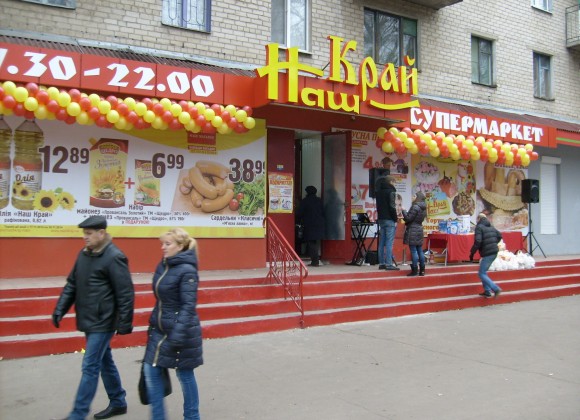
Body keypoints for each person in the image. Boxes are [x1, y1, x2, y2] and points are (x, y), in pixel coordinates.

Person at [52, 215, 134, 420]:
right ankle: (118, 401)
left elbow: (125, 292)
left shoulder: (114, 256)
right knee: (104, 361)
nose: (85, 237)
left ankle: (78, 414)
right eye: (84, 234)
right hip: (88, 318)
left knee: (90, 365)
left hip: (103, 321)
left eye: (89, 234)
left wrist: (125, 322)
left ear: (101, 233)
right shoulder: (84, 254)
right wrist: (60, 308)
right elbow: (72, 283)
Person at [143, 228, 203, 420]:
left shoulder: (187, 271)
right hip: (160, 329)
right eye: (162, 243)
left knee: (184, 374)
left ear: (180, 246)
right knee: (150, 370)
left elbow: (188, 306)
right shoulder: (164, 265)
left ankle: (192, 417)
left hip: (181, 331)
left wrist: (177, 335)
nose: (163, 247)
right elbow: (161, 300)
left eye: (167, 244)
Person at [470, 213, 503, 298]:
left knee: (481, 273)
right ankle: (487, 291)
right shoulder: (491, 226)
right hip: (494, 251)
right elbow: (499, 235)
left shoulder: (479, 227)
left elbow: (478, 241)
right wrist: (493, 243)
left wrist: (472, 252)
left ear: (479, 219)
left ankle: (495, 288)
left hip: (488, 253)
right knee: (483, 272)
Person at [296, 185, 325, 266]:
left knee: (311, 242)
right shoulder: (319, 200)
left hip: (309, 224)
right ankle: (315, 260)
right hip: (319, 224)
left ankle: (315, 261)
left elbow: (300, 213)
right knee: (315, 242)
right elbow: (323, 212)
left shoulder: (305, 201)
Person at [375, 175, 399, 270]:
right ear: (391, 182)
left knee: (382, 242)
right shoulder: (391, 192)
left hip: (381, 218)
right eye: (394, 182)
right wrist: (395, 219)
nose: (395, 184)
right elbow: (392, 207)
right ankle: (389, 264)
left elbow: (378, 207)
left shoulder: (378, 192)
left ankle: (381, 263)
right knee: (389, 242)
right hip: (389, 219)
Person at [402, 192, 427, 276]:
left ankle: (415, 270)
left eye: (414, 196)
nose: (412, 197)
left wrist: (404, 210)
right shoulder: (423, 207)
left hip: (412, 230)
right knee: (420, 250)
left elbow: (408, 218)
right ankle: (422, 270)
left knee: (413, 251)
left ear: (417, 197)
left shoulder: (415, 207)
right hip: (419, 229)